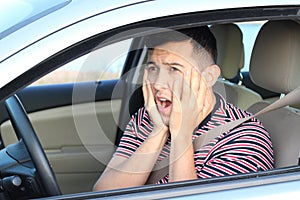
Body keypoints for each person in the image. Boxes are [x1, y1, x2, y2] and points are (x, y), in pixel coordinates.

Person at [93, 26, 274, 191]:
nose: (158, 83)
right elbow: (103, 192)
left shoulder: (243, 137)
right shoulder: (146, 117)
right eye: (153, 68)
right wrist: (159, 131)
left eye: (174, 69)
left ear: (209, 77)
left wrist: (182, 133)